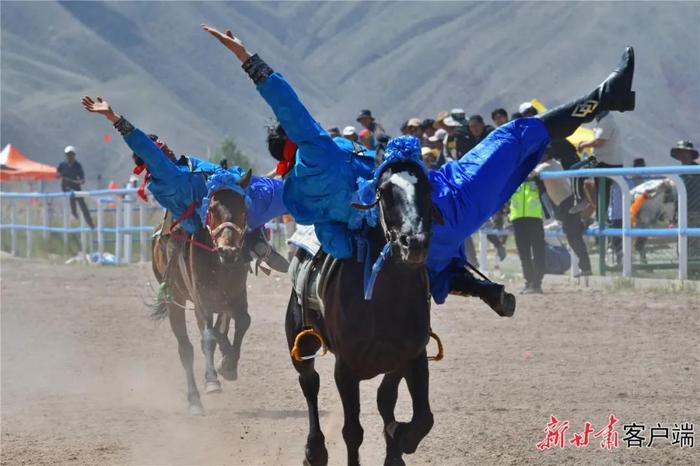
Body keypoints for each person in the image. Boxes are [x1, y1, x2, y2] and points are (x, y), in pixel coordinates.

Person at [202, 24, 636, 314]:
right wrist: (248, 59)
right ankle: (603, 96)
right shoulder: (314, 150)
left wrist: (226, 224)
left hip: (397, 231)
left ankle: (468, 283)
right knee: (512, 138)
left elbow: (246, 202)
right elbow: (287, 104)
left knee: (331, 258)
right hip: (440, 202)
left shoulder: (286, 185)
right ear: (297, 142)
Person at [80, 96, 289, 273]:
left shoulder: (178, 167)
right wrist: (113, 118)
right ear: (151, 158)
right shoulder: (164, 172)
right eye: (159, 148)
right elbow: (144, 146)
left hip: (220, 195)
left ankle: (256, 241)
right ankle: (254, 243)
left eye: (163, 144)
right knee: (249, 203)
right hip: (208, 210)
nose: (166, 148)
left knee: (250, 198)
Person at [533, 145, 592, 276]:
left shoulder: (547, 165)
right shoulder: (553, 164)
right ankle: (585, 267)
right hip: (565, 202)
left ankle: (586, 267)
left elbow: (532, 174)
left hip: (567, 203)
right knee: (573, 235)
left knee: (573, 236)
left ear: (546, 155)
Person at [569, 111, 623, 214]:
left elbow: (598, 141)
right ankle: (601, 217)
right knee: (602, 193)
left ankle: (580, 200)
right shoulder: (605, 121)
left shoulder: (606, 122)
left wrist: (582, 145)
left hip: (605, 161)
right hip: (604, 160)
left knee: (575, 171)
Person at [509, 177, 546, 293]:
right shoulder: (513, 179)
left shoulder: (537, 179)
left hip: (535, 219)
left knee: (538, 252)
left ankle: (537, 284)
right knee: (524, 254)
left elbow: (545, 193)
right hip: (517, 219)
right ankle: (528, 282)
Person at [57, 146, 95, 229]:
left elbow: (82, 179)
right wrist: (59, 175)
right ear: (65, 155)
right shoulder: (62, 165)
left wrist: (80, 181)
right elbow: (57, 174)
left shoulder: (78, 166)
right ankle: (74, 213)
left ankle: (91, 224)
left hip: (76, 187)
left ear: (74, 155)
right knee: (72, 194)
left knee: (83, 205)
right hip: (66, 187)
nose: (70, 156)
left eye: (71, 154)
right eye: (68, 154)